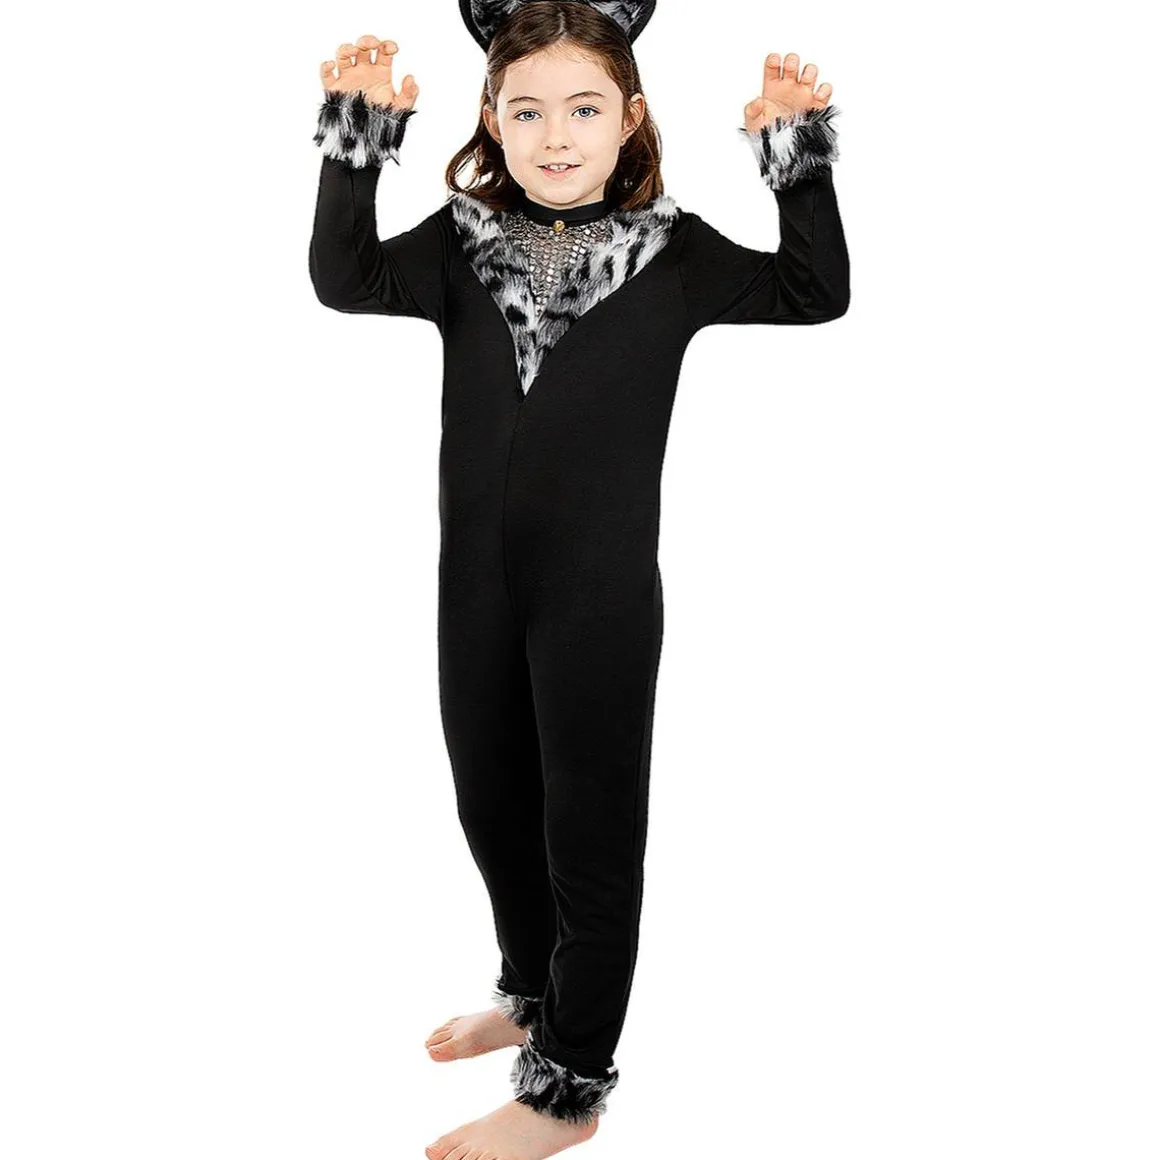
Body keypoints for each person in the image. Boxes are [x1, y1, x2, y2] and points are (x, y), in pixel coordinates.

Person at [308, 2, 848, 1156]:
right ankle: (530, 990)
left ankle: (567, 1088)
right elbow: (344, 277)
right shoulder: (461, 245)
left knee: (587, 835)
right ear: (491, 120)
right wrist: (355, 139)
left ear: (631, 117)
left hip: (596, 602)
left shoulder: (677, 255)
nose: (556, 136)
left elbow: (813, 290)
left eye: (584, 109)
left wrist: (794, 157)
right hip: (473, 589)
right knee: (491, 802)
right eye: (527, 112)